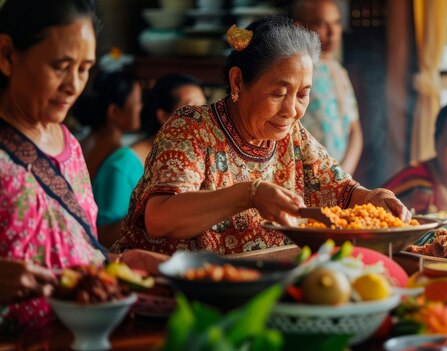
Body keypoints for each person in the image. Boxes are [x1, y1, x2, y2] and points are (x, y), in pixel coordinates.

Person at [111, 15, 410, 256]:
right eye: (279, 93)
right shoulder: (191, 128)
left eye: (303, 94)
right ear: (238, 82)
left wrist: (373, 197)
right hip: (170, 295)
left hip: (251, 292)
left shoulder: (292, 136)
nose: (292, 110)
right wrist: (249, 194)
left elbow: (342, 192)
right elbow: (160, 218)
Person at [0, 0, 165, 330]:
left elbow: (73, 244)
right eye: (61, 66)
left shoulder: (70, 145)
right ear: (7, 55)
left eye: (84, 68)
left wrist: (116, 262)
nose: (74, 85)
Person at [93, 74, 207, 247]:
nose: (202, 118)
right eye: (191, 109)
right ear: (163, 116)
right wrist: (159, 211)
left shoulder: (196, 161)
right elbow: (105, 237)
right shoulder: (122, 166)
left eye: (204, 108)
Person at [292, 0, 363, 175]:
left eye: (337, 23)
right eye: (321, 23)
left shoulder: (339, 71)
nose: (332, 32)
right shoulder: (294, 70)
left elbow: (355, 129)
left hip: (340, 175)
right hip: (305, 173)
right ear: (299, 27)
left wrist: (343, 172)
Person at [73, 70, 142, 246]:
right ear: (114, 111)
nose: (141, 107)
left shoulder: (78, 142)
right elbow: (105, 235)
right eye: (137, 102)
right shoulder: (120, 160)